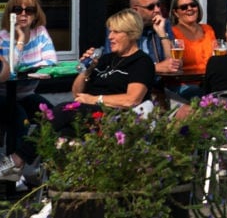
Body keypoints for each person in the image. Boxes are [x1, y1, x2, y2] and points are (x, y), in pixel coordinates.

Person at [1, 9, 155, 181]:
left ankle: (17, 160)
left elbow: (132, 99)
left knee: (60, 110)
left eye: (116, 32)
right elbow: (77, 92)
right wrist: (86, 69)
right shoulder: (105, 59)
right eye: (109, 31)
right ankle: (59, 193)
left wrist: (95, 99)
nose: (110, 37)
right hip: (88, 112)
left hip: (114, 117)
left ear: (131, 34)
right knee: (63, 133)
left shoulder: (141, 62)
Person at [0, 0, 58, 159]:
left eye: (29, 10)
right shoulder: (3, 37)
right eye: (18, 9)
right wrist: (19, 40)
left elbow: (50, 61)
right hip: (3, 94)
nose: (23, 14)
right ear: (10, 13)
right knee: (20, 117)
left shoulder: (39, 33)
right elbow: (11, 69)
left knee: (52, 115)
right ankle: (16, 173)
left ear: (36, 13)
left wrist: (33, 69)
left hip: (26, 94)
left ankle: (24, 161)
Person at [105, 0, 179, 74]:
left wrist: (162, 34)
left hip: (161, 84)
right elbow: (111, 65)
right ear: (135, 10)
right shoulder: (119, 28)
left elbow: (175, 64)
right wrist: (154, 68)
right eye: (151, 7)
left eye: (158, 5)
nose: (157, 10)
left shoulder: (163, 24)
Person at [168, 0, 216, 98]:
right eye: (184, 7)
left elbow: (216, 56)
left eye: (193, 5)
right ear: (176, 13)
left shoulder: (208, 29)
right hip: (185, 85)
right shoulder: (173, 32)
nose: (189, 8)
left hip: (209, 82)